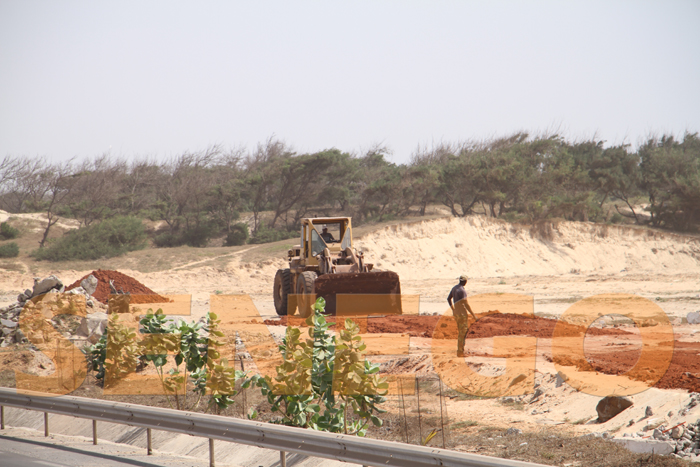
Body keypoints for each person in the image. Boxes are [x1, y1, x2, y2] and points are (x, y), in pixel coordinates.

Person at [447, 274, 477, 357]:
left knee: (461, 331)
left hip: (456, 313)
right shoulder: (462, 291)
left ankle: (460, 351)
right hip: (462, 314)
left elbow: (448, 298)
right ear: (465, 282)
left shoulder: (454, 288)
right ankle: (460, 352)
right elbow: (466, 304)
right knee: (462, 332)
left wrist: (453, 309)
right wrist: (473, 315)